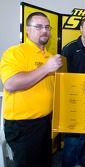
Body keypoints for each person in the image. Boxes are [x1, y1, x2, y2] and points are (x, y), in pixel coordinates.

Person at [0, 12, 62, 167]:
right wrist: (46, 68)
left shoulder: (49, 56)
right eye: (39, 26)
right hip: (23, 125)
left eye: (47, 27)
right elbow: (11, 84)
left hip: (44, 122)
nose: (44, 31)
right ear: (27, 29)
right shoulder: (15, 52)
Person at [61, 17, 85, 167]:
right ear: (81, 29)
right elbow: (61, 75)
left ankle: (77, 162)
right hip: (72, 101)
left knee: (83, 135)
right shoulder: (69, 48)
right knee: (72, 138)